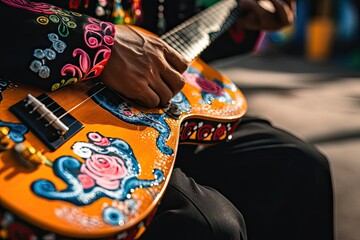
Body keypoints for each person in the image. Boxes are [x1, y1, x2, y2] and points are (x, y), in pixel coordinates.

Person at [0, 0, 334, 240]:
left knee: (297, 163)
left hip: (136, 112)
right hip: (29, 107)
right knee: (208, 225)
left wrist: (237, 13)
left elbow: (162, 33)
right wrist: (102, 43)